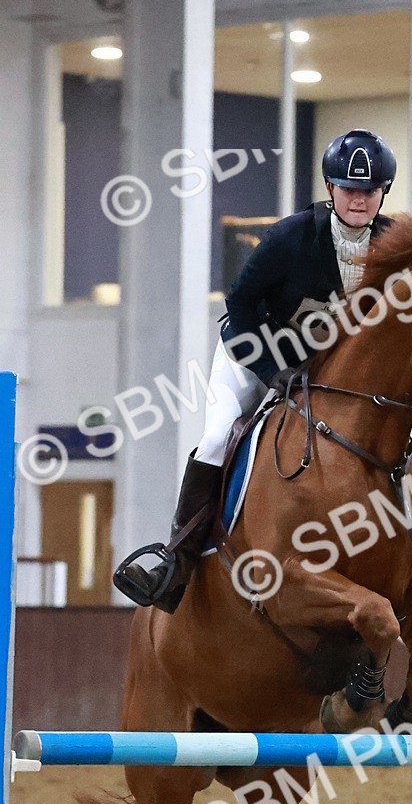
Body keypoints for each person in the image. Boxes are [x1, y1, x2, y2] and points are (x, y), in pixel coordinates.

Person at [114, 130, 397, 613]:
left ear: (382, 194)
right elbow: (240, 303)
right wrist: (271, 370)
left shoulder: (392, 242)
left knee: (385, 438)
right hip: (255, 350)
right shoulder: (291, 237)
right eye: (348, 189)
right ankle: (176, 560)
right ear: (331, 189)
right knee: (220, 434)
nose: (358, 199)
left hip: (332, 370)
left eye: (368, 191)